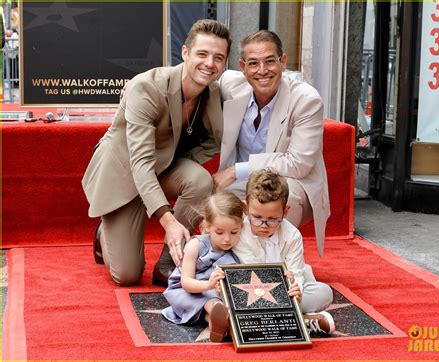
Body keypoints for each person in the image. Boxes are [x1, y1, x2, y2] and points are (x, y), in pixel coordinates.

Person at [82, 19, 231, 286]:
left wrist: (182, 161)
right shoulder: (146, 88)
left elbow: (216, 139)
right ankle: (105, 233)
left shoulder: (215, 92)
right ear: (185, 53)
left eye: (218, 57)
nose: (210, 63)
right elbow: (140, 163)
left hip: (162, 168)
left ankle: (168, 262)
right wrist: (169, 221)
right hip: (124, 175)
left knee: (200, 180)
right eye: (202, 54)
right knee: (127, 275)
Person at [213, 30, 329, 257]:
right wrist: (140, 85)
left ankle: (275, 263)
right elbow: (193, 77)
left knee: (281, 196)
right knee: (211, 198)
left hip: (291, 183)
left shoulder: (306, 99)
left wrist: (237, 170)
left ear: (283, 61)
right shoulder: (229, 84)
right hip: (243, 183)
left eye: (270, 61)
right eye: (253, 63)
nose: (262, 71)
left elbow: (299, 163)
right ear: (242, 65)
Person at [232, 169, 335, 335]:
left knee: (324, 293)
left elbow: (297, 272)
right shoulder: (240, 232)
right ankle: (302, 320)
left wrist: (296, 288)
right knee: (229, 298)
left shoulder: (292, 235)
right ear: (246, 208)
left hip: (285, 292)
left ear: (285, 212)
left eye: (272, 219)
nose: (263, 225)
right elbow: (249, 270)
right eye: (257, 217)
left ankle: (267, 320)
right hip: (252, 291)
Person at [161, 192, 243, 342]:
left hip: (216, 294)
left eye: (234, 232)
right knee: (211, 301)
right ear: (207, 226)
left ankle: (216, 320)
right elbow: (186, 282)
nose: (227, 238)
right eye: (219, 232)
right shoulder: (196, 245)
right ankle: (219, 315)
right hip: (186, 291)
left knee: (220, 303)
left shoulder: (238, 250)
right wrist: (209, 284)